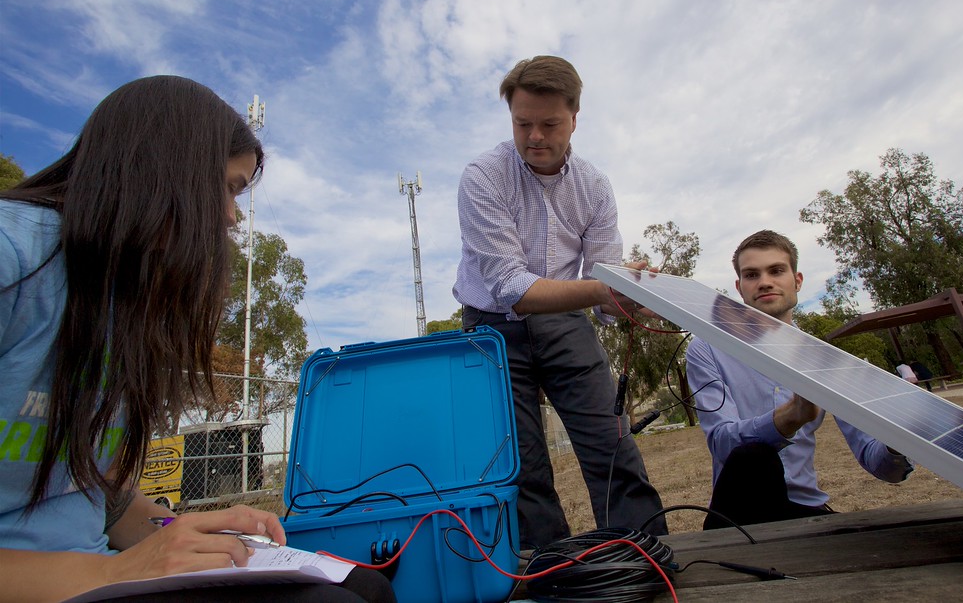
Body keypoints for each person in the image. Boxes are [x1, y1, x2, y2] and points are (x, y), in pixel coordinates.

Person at [0, 76, 394, 603]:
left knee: (365, 587)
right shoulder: (15, 255)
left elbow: (100, 499)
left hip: (96, 572)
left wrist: (182, 533)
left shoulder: (129, 299)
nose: (233, 216)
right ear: (162, 169)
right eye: (228, 188)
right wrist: (111, 576)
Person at [453, 55, 667, 548]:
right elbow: (511, 287)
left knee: (611, 443)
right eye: (522, 123)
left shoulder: (594, 187)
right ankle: (547, 570)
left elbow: (606, 289)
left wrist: (634, 299)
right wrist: (605, 289)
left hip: (565, 321)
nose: (534, 136)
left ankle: (643, 554)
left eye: (549, 124)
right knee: (520, 463)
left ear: (574, 118)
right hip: (489, 330)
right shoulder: (483, 177)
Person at [685, 230, 914, 530]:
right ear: (740, 288)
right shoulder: (708, 348)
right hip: (741, 511)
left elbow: (883, 467)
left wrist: (897, 438)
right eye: (752, 274)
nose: (765, 281)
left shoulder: (825, 362)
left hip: (806, 509)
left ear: (798, 280)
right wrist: (789, 418)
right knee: (752, 458)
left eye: (776, 270)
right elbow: (723, 445)